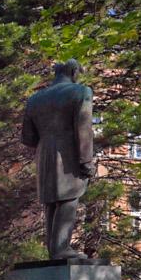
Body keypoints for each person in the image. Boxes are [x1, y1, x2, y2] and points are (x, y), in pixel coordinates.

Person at [19, 60, 96, 262]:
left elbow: (28, 137)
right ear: (74, 71)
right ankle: (61, 249)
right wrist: (86, 161)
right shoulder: (81, 92)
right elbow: (84, 129)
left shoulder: (35, 99)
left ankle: (55, 250)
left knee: (52, 203)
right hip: (68, 154)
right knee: (69, 198)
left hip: (44, 155)